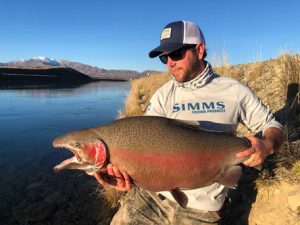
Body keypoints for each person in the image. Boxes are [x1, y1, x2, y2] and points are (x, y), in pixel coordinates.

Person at [94, 20, 284, 224]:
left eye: (175, 54)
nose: (169, 63)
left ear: (199, 50)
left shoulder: (234, 91)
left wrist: (266, 145)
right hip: (153, 198)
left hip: (202, 208)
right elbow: (146, 148)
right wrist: (129, 177)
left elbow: (274, 128)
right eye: (164, 58)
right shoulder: (162, 95)